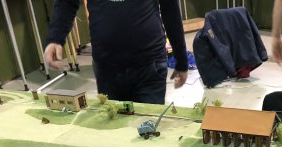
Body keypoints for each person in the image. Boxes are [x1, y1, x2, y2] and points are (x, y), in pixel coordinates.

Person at [44, 0, 189, 104]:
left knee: (148, 129)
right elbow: (67, 2)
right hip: (107, 67)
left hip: (149, 65)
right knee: (114, 129)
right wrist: (55, 38)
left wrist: (182, 61)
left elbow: (170, 10)